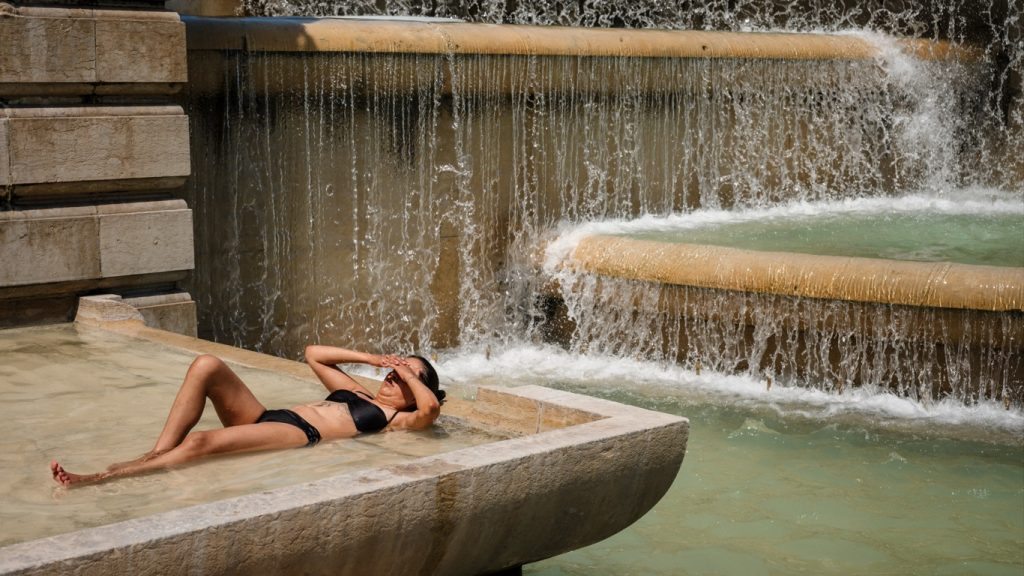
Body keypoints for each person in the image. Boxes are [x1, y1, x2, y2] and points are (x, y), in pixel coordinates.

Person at [50, 346, 443, 487]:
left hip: (299, 433)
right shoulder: (358, 390)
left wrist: (410, 372)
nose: (393, 374)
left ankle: (105, 477)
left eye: (404, 374)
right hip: (267, 417)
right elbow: (313, 353)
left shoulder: (398, 419)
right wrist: (372, 359)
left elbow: (431, 409)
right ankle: (154, 455)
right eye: (394, 370)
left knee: (201, 441)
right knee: (206, 364)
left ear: (414, 389)